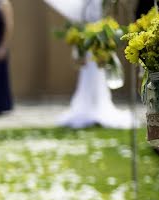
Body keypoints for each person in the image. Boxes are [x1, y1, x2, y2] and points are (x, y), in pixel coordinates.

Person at [56, 0, 134, 129]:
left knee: (98, 74)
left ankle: (98, 104)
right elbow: (82, 20)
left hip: (99, 38)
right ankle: (89, 105)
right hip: (91, 39)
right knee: (89, 74)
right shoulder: (87, 4)